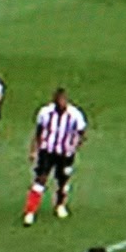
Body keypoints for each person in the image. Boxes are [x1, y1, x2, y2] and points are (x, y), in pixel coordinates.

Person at [23, 88, 88, 226]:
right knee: (40, 179)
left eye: (63, 101)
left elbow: (82, 133)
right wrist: (34, 150)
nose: (61, 104)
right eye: (58, 102)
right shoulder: (45, 113)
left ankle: (60, 204)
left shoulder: (75, 115)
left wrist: (74, 147)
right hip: (47, 151)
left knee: (62, 180)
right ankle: (30, 211)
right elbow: (38, 132)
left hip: (65, 153)